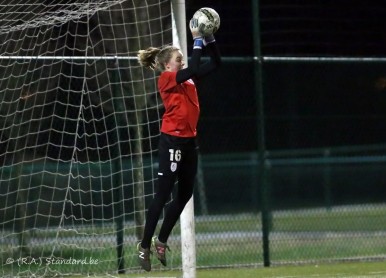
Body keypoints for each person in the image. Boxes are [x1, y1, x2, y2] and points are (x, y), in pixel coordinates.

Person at [135, 17, 221, 272]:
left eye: (182, 59)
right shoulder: (166, 79)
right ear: (166, 65)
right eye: (178, 59)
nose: (182, 62)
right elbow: (193, 67)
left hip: (188, 142)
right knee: (162, 195)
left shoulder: (187, 78)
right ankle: (143, 246)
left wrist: (209, 39)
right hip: (171, 140)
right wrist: (196, 39)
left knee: (184, 195)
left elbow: (216, 63)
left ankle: (161, 240)